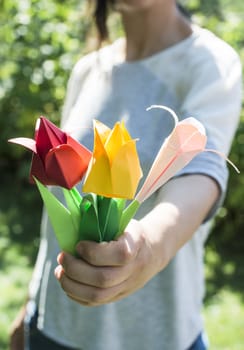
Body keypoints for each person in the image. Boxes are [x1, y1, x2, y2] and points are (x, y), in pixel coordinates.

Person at [10, 1, 242, 349]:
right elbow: (57, 204)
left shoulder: (210, 63)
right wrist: (31, 304)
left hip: (155, 337)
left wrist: (147, 247)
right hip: (54, 326)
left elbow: (201, 171)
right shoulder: (90, 69)